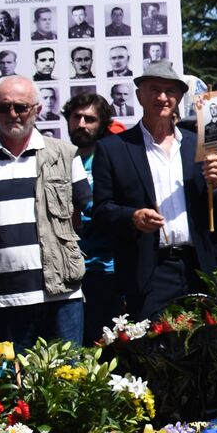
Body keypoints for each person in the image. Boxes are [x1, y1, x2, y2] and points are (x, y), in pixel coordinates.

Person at [91, 60, 217, 319]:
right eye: (154, 89)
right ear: (140, 94)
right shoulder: (114, 149)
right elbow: (101, 210)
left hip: (197, 268)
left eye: (170, 91)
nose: (162, 97)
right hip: (148, 272)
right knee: (153, 353)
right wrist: (132, 217)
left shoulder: (198, 147)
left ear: (179, 97)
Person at [0, 76, 90, 357]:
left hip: (59, 295)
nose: (13, 114)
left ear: (36, 108)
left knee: (67, 387)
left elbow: (86, 214)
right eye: (4, 107)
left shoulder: (65, 154)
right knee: (6, 394)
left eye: (21, 107)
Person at [63, 91, 122, 344]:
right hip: (68, 272)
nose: (81, 124)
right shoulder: (59, 158)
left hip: (106, 268)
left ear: (104, 124)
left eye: (90, 119)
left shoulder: (114, 159)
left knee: (107, 345)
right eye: (76, 117)